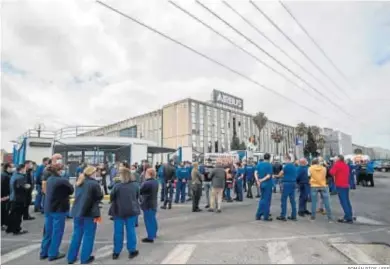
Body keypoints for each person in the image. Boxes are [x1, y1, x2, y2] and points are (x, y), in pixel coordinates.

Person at [67, 166, 104, 264]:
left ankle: (71, 257)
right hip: (90, 213)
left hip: (77, 212)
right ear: (92, 173)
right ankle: (85, 258)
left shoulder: (79, 182)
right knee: (89, 235)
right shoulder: (94, 184)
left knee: (76, 234)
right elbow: (99, 197)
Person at [40, 163, 74, 261]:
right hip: (59, 209)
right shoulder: (62, 180)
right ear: (60, 170)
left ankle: (44, 252)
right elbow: (71, 190)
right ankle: (53, 253)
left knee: (48, 231)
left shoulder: (49, 179)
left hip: (48, 208)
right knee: (57, 231)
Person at [109, 166, 140, 260]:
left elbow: (112, 198)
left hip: (118, 211)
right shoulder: (135, 185)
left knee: (118, 232)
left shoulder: (117, 186)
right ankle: (132, 250)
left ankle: (116, 252)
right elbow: (137, 196)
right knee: (131, 231)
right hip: (131, 211)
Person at [7, 163, 31, 235]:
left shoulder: (14, 176)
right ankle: (17, 230)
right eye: (24, 169)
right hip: (19, 199)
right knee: (18, 215)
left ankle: (10, 229)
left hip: (13, 198)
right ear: (22, 169)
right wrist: (27, 187)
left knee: (13, 214)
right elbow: (20, 188)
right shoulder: (20, 177)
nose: (25, 170)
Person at [330, 155, 353, 223]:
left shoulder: (337, 165)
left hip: (340, 185)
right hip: (346, 184)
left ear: (338, 159)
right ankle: (349, 214)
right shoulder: (346, 165)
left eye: (335, 159)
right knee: (347, 201)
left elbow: (332, 172)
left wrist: (334, 165)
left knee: (343, 202)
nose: (334, 159)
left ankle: (348, 217)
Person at [140, 168, 159, 243]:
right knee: (153, 219)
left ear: (149, 174)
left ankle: (150, 237)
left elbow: (140, 191)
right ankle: (154, 233)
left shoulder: (147, 183)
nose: (145, 175)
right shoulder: (155, 182)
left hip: (147, 203)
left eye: (146, 173)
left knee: (148, 220)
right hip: (153, 202)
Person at [276, 155, 297, 221]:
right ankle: (294, 216)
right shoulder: (294, 166)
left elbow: (280, 174)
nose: (284, 161)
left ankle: (283, 215)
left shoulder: (286, 166)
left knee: (284, 200)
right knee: (292, 201)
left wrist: (275, 175)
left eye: (285, 159)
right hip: (293, 184)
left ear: (287, 159)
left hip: (286, 184)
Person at [255, 153, 273, 221]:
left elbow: (255, 172)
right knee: (267, 200)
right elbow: (268, 176)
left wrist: (258, 181)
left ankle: (258, 215)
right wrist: (262, 180)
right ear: (269, 158)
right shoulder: (269, 165)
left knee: (262, 199)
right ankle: (266, 216)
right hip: (267, 184)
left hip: (261, 184)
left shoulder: (259, 164)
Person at [1, 163, 13, 230]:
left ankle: (4, 223)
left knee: (5, 210)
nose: (12, 169)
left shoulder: (6, 174)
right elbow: (3, 187)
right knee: (4, 211)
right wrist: (5, 196)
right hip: (5, 196)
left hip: (5, 196)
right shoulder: (5, 176)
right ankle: (3, 224)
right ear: (7, 168)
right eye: (11, 167)